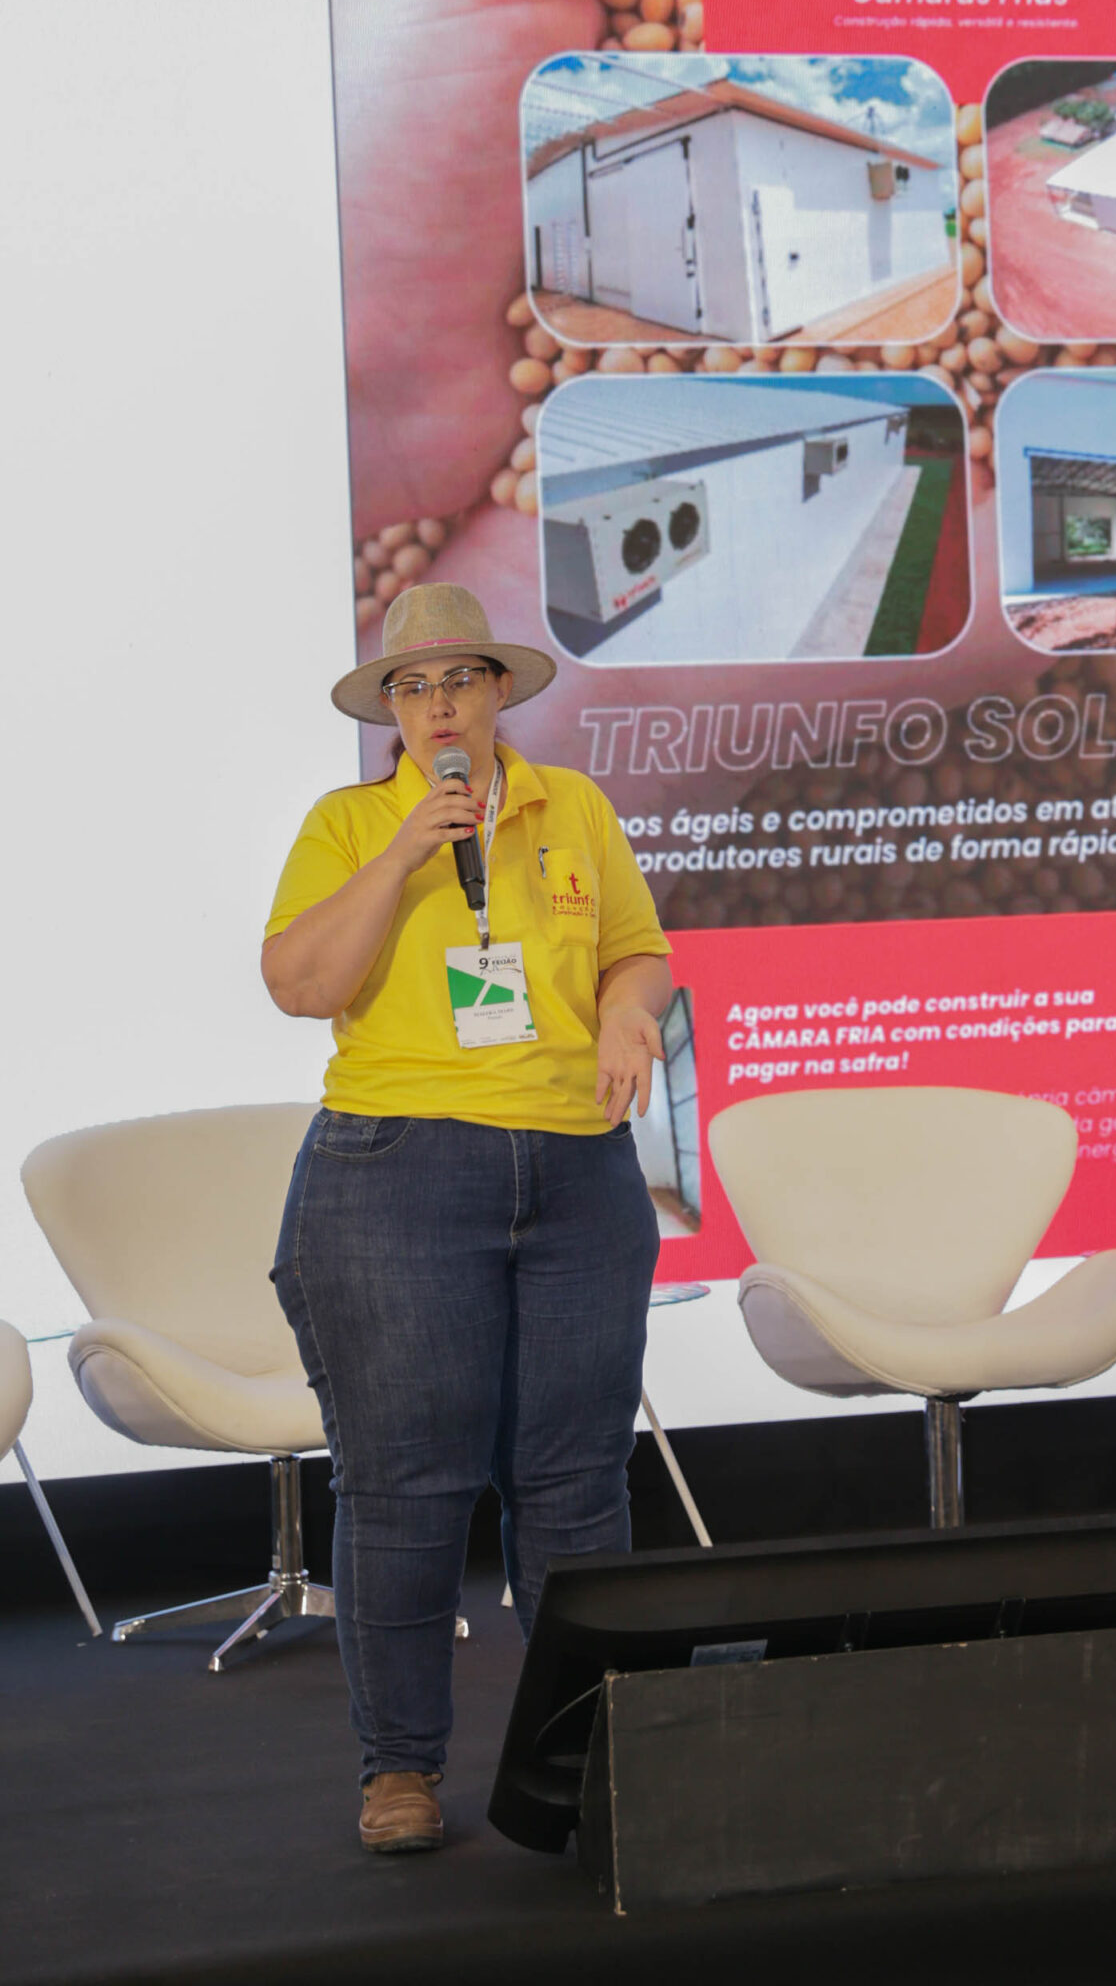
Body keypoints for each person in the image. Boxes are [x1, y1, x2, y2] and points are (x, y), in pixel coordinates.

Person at [262, 581, 672, 1855]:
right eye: (412, 687)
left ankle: (583, 1756)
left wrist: (628, 1009)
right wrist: (403, 851)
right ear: (390, 710)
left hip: (578, 1171)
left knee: (575, 1482)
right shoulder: (348, 823)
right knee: (405, 1484)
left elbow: (638, 949)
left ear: (499, 691)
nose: (437, 705)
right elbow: (299, 985)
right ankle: (399, 1769)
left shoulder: (574, 807)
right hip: (398, 1168)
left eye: (458, 680)